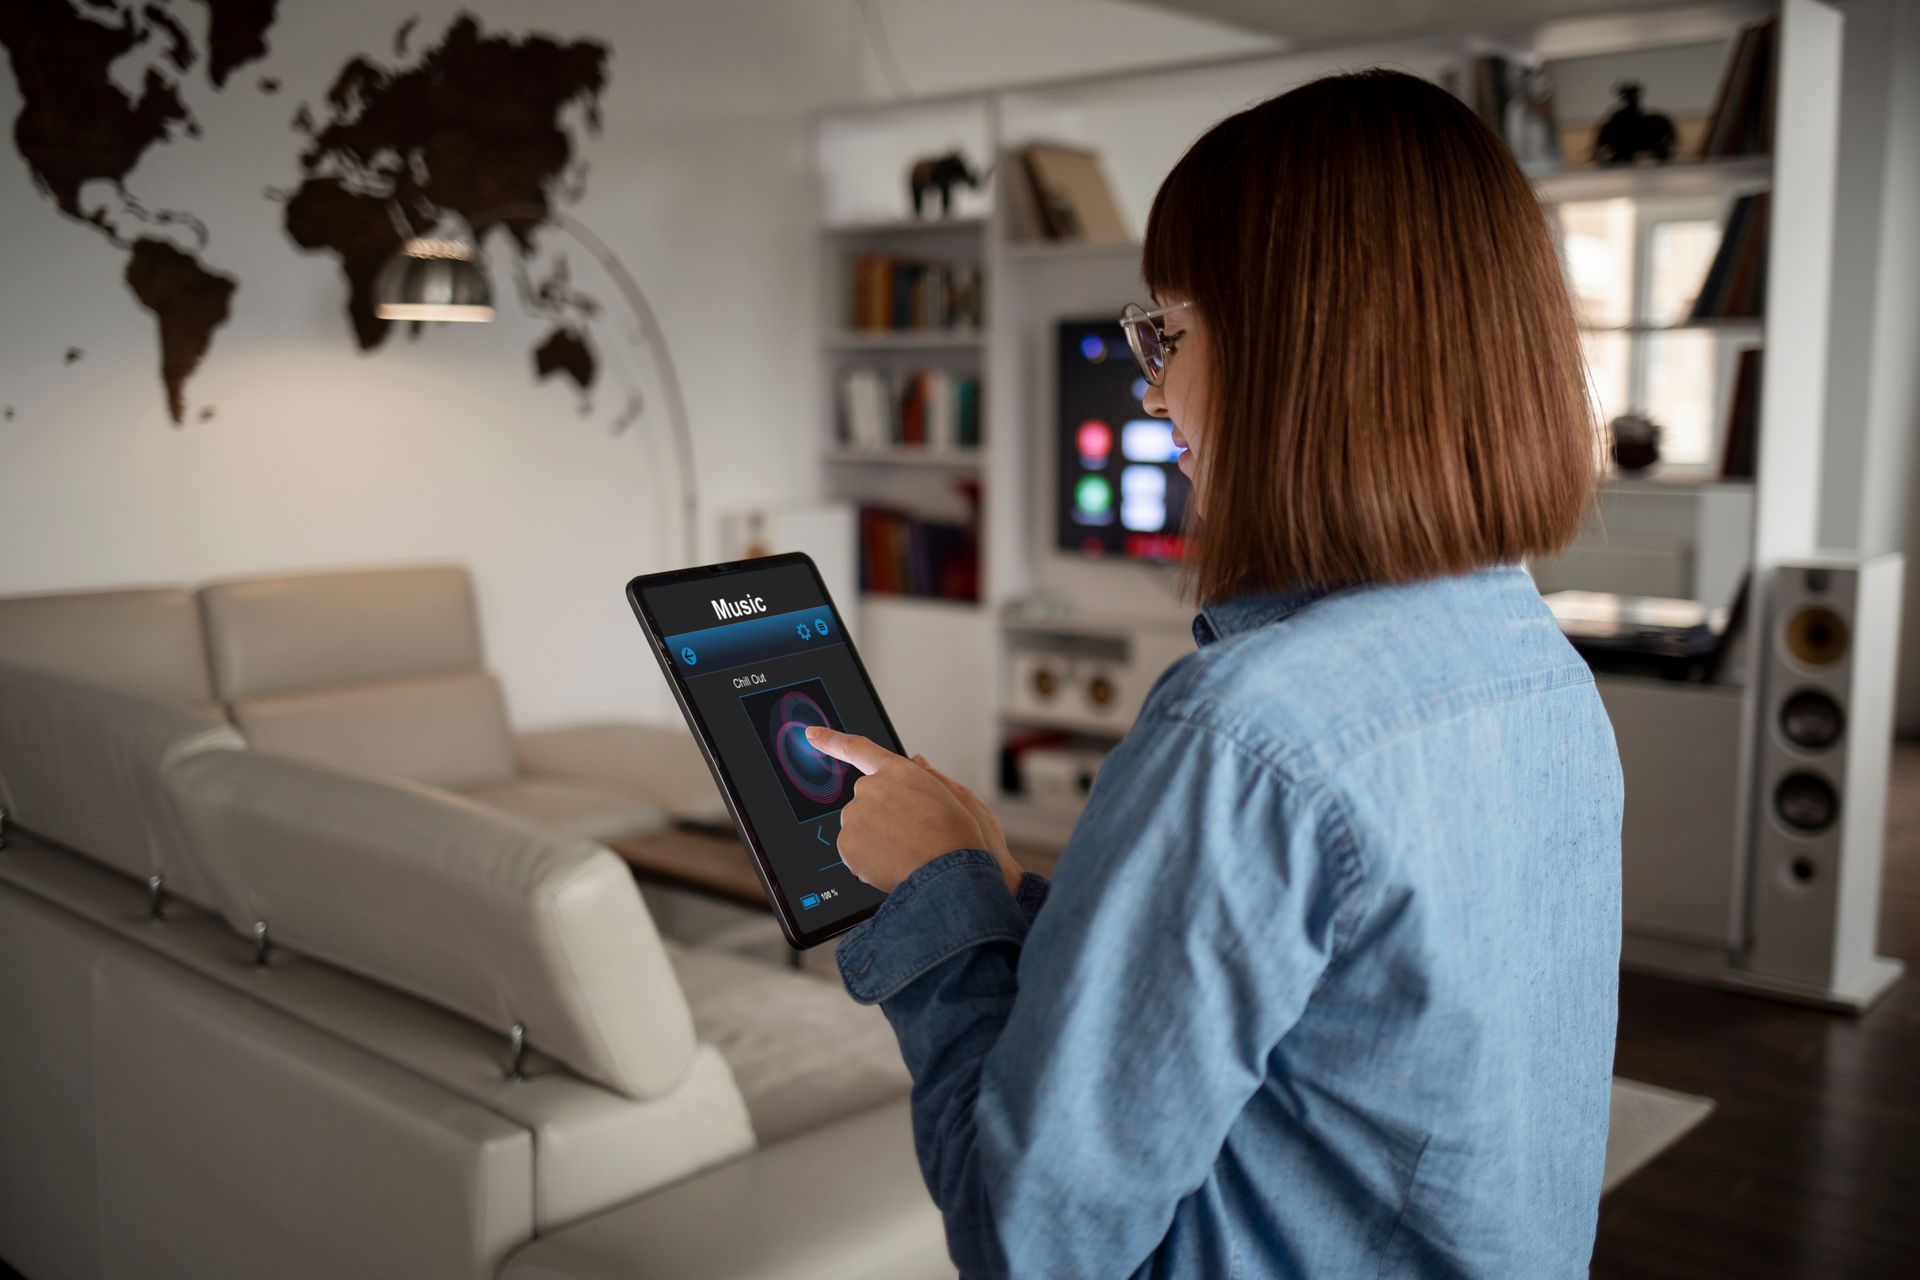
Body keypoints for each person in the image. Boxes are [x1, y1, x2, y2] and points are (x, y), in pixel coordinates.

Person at [804, 68, 1622, 1279]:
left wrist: (939, 891)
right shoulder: (1538, 666)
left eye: (1170, 332)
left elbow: (1028, 1241)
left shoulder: (1248, 737)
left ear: (1299, 351)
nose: (1149, 385)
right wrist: (1014, 891)